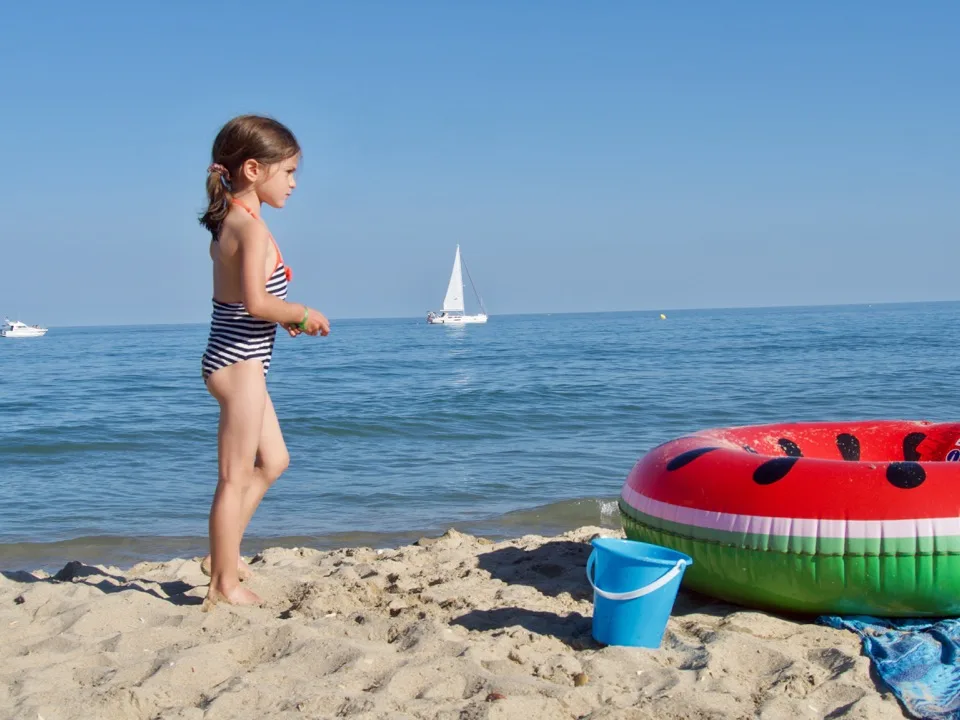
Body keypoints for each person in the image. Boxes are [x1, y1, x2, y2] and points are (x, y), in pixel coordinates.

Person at [197, 115, 329, 609]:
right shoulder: (246, 229)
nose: (294, 184)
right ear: (254, 169)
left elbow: (243, 304)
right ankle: (222, 586)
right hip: (240, 367)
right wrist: (302, 313)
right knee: (234, 477)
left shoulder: (237, 219)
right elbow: (255, 303)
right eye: (289, 172)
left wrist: (288, 321)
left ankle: (220, 555)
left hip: (238, 359)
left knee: (274, 461)